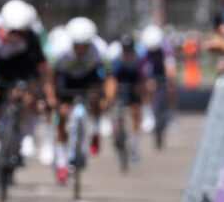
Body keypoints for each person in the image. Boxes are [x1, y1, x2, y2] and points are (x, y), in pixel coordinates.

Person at [0, 0, 51, 193]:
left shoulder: (31, 37)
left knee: (26, 97)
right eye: (13, 32)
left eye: (21, 33)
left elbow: (42, 68)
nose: (16, 36)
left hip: (20, 69)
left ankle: (24, 135)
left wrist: (41, 91)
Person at [51, 17, 115, 185]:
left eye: (84, 45)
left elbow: (110, 77)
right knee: (62, 114)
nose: (80, 49)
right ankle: (61, 162)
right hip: (65, 78)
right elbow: (49, 76)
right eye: (76, 45)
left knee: (95, 98)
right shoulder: (59, 48)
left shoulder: (100, 48)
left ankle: (95, 129)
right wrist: (51, 97)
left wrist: (108, 99)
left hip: (89, 76)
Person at [107, 32, 145, 161]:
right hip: (120, 85)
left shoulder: (138, 59)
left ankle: (134, 144)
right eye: (125, 51)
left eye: (129, 51)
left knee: (135, 112)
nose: (127, 53)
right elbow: (111, 78)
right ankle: (116, 132)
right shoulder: (116, 58)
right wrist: (111, 96)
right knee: (114, 108)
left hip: (133, 85)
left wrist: (140, 90)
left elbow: (142, 78)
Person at [139, 24, 177, 133]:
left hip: (163, 67)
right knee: (146, 86)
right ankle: (148, 115)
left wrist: (170, 81)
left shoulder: (166, 46)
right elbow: (143, 69)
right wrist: (148, 80)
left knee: (171, 87)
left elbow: (170, 66)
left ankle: (171, 117)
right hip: (151, 69)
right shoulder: (143, 48)